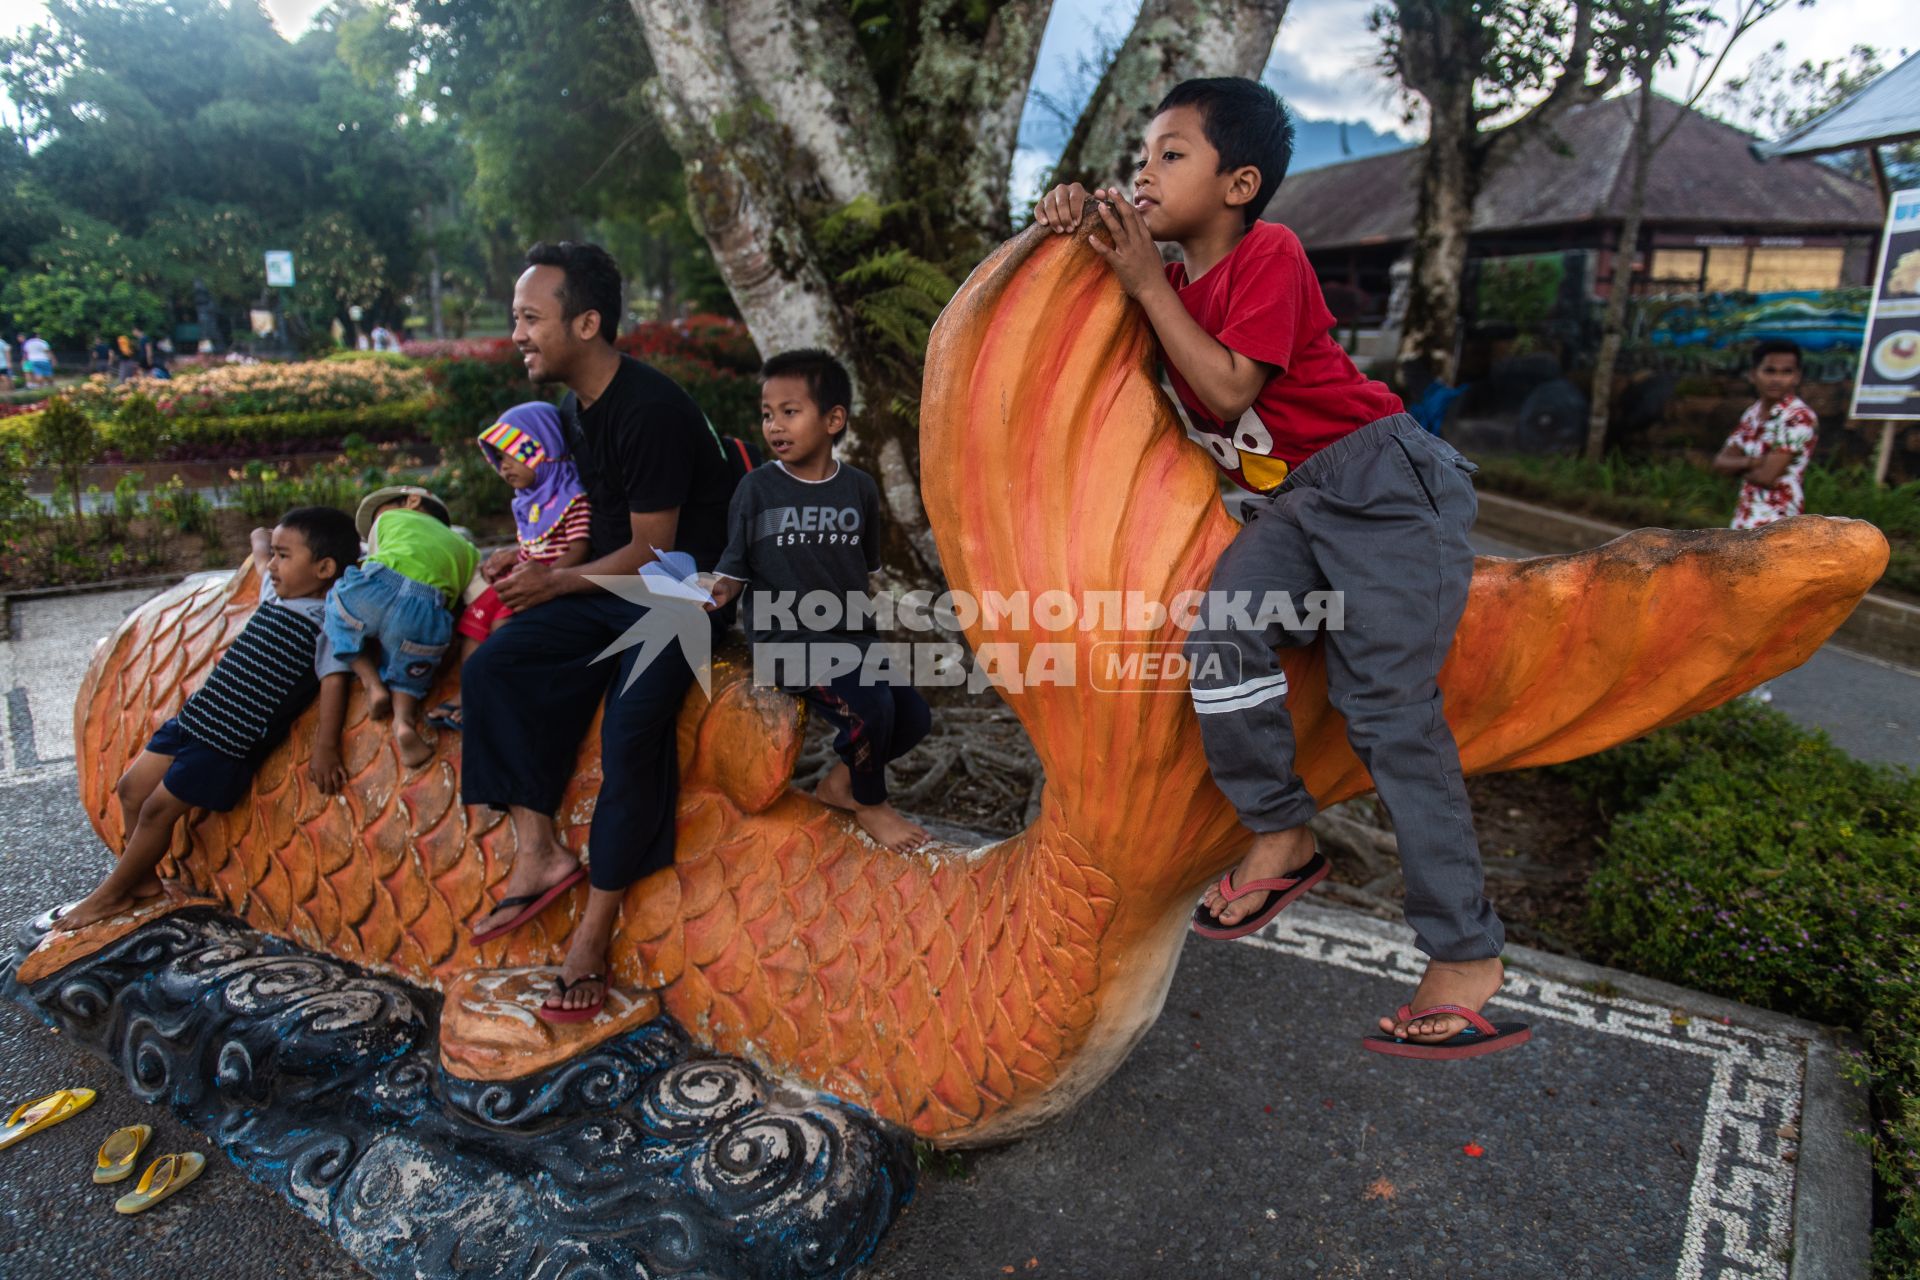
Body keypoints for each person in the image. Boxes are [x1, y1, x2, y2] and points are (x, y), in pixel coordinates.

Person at [1034, 77, 1526, 1060]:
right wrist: (1064, 222)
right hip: (1291, 506)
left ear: (1239, 182)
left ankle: (1466, 959)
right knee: (1217, 632)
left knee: (1386, 708)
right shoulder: (1163, 282)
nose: (1146, 169)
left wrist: (1138, 280)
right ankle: (1282, 833)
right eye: (1143, 154)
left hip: (1382, 485)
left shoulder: (1269, 252)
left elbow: (1224, 385)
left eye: (1172, 153)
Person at [461, 240, 736, 1023]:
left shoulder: (646, 408)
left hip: (683, 590)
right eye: (515, 317)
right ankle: (540, 851)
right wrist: (538, 561)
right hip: (618, 580)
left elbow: (657, 550)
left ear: (586, 322)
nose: (516, 333)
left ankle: (596, 926)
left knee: (629, 732)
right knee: (493, 669)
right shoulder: (578, 411)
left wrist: (556, 583)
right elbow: (598, 526)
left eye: (529, 317)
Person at [52, 508, 361, 933]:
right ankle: (140, 880)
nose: (272, 565)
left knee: (158, 811)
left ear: (324, 568)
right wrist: (266, 540)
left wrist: (326, 747)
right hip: (196, 718)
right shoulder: (276, 594)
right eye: (275, 556)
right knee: (131, 790)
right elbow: (258, 540)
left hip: (227, 742)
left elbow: (333, 682)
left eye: (284, 557)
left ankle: (110, 894)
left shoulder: (329, 623)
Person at [706, 349, 932, 853]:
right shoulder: (757, 489)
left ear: (833, 420)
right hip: (788, 640)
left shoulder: (859, 489)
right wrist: (715, 592)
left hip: (850, 636)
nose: (774, 426)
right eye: (767, 414)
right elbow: (734, 565)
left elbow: (863, 566)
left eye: (790, 411)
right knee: (869, 710)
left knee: (914, 718)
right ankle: (872, 803)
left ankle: (839, 785)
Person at [427, 402, 593, 731]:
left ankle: (489, 694)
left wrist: (549, 578)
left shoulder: (572, 497)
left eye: (511, 456)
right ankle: (469, 689)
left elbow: (579, 547)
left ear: (541, 449)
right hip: (528, 575)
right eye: (499, 460)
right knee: (476, 614)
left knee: (502, 618)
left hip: (551, 582)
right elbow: (533, 546)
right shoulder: (528, 500)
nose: (503, 468)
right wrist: (511, 558)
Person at [326, 485, 478, 769]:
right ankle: (404, 723)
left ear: (412, 501)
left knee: (336, 610)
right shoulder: (468, 551)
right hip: (427, 609)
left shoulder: (388, 520)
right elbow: (476, 599)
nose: (374, 522)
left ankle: (372, 684)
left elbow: (373, 557)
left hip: (378, 586)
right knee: (412, 671)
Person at [1712, 339, 1818, 531]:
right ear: (1753, 375)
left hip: (1778, 522)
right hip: (1744, 518)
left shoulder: (1798, 417)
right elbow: (1720, 463)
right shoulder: (1752, 413)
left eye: (1786, 372)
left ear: (1797, 377)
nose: (1777, 379)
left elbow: (1766, 476)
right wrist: (1756, 462)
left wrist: (1739, 466)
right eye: (1770, 371)